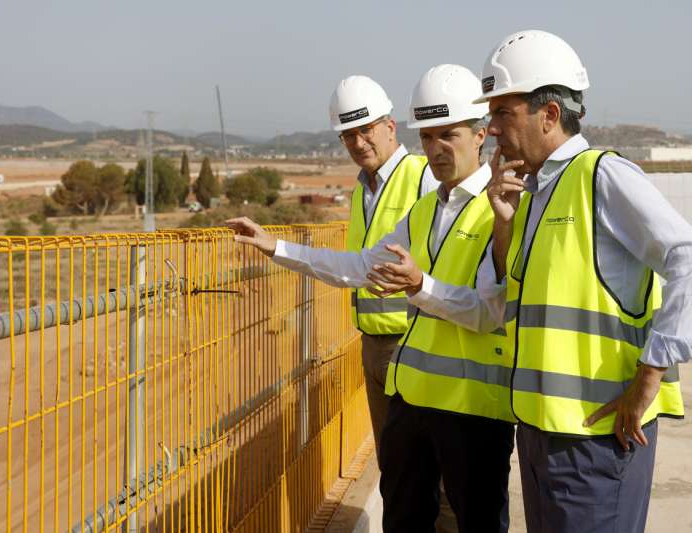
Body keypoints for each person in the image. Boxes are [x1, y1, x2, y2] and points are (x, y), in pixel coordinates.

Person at [228, 65, 515, 532]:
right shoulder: (427, 210)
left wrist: (419, 285)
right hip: (414, 394)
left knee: (468, 519)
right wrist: (274, 246)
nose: (437, 149)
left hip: (473, 407)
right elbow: (357, 267)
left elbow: (490, 311)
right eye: (429, 137)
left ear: (481, 135)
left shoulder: (501, 210)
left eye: (450, 135)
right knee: (403, 513)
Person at [470, 29, 688, 532]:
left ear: (549, 114)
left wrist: (650, 375)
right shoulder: (532, 194)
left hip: (596, 438)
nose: (493, 129)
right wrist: (503, 222)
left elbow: (687, 256)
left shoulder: (602, 176)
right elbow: (497, 300)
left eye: (503, 113)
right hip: (540, 433)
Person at [236, 74, 436, 459]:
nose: (358, 143)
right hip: (373, 346)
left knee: (427, 475)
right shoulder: (363, 189)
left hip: (415, 344)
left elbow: (360, 268)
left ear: (390, 127)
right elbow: (355, 266)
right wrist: (274, 246)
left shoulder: (424, 178)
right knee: (394, 469)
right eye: (348, 135)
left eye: (366, 130)